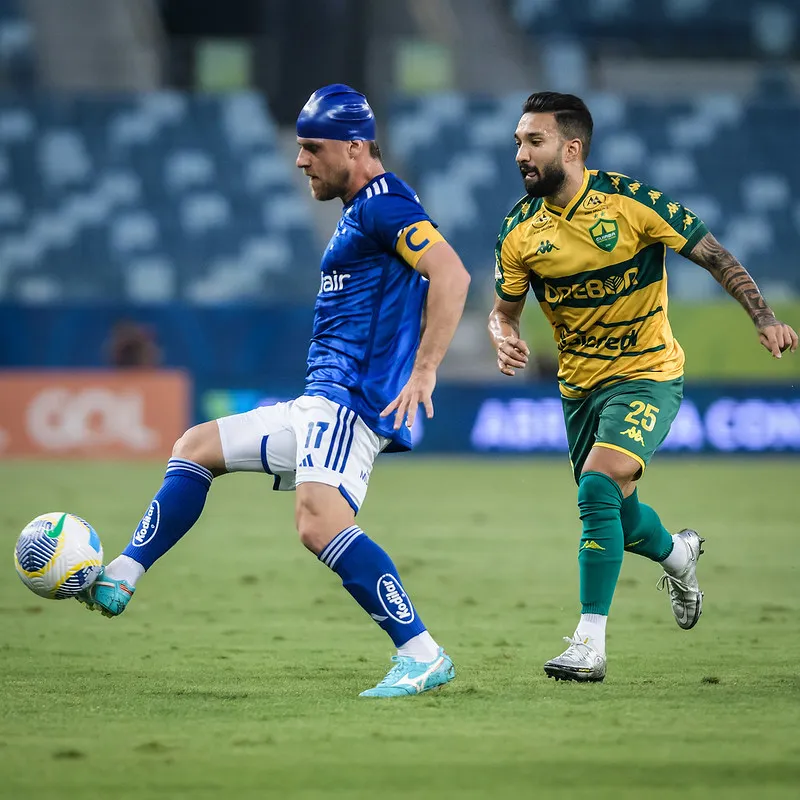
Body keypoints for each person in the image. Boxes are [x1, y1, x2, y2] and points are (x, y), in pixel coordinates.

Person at [80, 84, 471, 698]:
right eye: (298, 147)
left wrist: (424, 373)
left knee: (318, 525)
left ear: (356, 145)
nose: (300, 161)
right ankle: (122, 575)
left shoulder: (384, 204)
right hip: (317, 401)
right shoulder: (360, 212)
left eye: (312, 147)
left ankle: (423, 654)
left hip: (347, 403)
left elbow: (450, 272)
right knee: (196, 445)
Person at [488, 91, 798, 682]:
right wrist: (503, 333)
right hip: (579, 389)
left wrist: (764, 317)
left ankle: (589, 643)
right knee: (616, 516)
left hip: (649, 373)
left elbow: (714, 255)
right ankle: (679, 555)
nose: (521, 155)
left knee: (598, 488)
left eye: (534, 142)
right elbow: (504, 309)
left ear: (572, 148)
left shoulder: (631, 204)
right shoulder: (520, 230)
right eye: (517, 144)